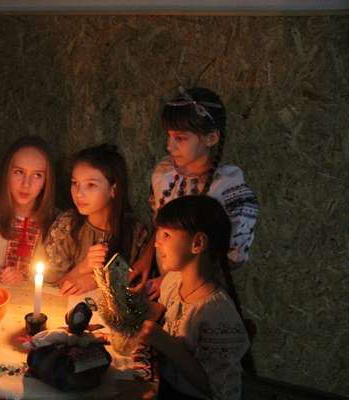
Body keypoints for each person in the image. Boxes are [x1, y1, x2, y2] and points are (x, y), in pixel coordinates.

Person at [128, 87, 259, 294]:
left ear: (211, 138)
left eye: (180, 138)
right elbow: (163, 226)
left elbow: (231, 259)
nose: (169, 146)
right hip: (163, 287)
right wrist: (146, 258)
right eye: (169, 136)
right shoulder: (164, 174)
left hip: (200, 293)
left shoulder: (229, 191)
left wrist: (173, 281)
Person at [139, 195, 250, 400]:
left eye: (166, 235)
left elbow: (218, 390)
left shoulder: (216, 313)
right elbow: (165, 311)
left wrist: (167, 344)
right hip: (163, 384)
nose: (156, 243)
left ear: (197, 243)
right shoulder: (173, 281)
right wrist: (133, 305)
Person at [45, 144, 150, 295]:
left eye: (91, 185)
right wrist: (83, 267)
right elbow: (46, 288)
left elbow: (139, 290)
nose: (79, 193)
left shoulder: (135, 233)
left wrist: (97, 281)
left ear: (113, 189)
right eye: (75, 183)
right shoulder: (67, 225)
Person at [0, 136, 57, 283]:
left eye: (37, 175)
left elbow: (56, 274)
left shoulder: (57, 222)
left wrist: (25, 278)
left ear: (46, 181)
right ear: (7, 173)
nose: (26, 184)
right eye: (19, 172)